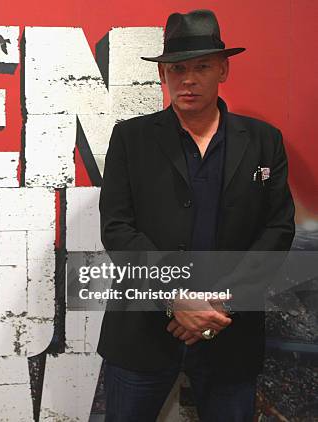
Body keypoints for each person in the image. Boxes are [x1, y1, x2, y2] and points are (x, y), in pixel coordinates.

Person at [97, 9, 295, 422]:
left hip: (231, 334)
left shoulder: (264, 141)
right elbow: (118, 230)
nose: (188, 79)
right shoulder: (130, 139)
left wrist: (219, 305)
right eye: (176, 69)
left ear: (223, 69)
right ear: (162, 76)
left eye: (202, 66)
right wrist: (175, 299)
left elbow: (277, 231)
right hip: (142, 336)